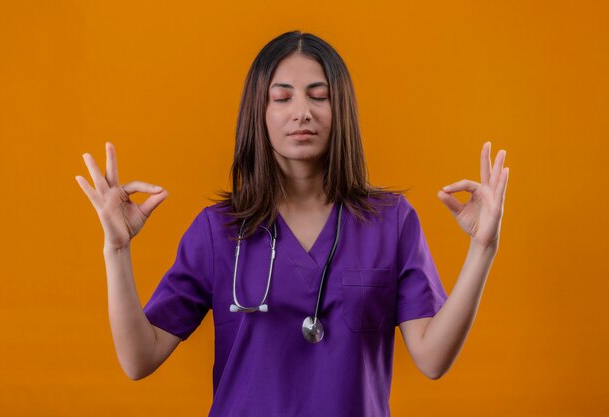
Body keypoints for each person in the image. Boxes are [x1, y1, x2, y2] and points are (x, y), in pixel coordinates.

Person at [75, 31, 509, 417]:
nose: (302, 112)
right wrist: (117, 249)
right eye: (282, 98)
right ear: (258, 114)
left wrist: (483, 248)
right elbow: (139, 358)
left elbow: (433, 359)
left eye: (318, 96)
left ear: (342, 111)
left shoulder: (390, 222)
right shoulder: (219, 230)